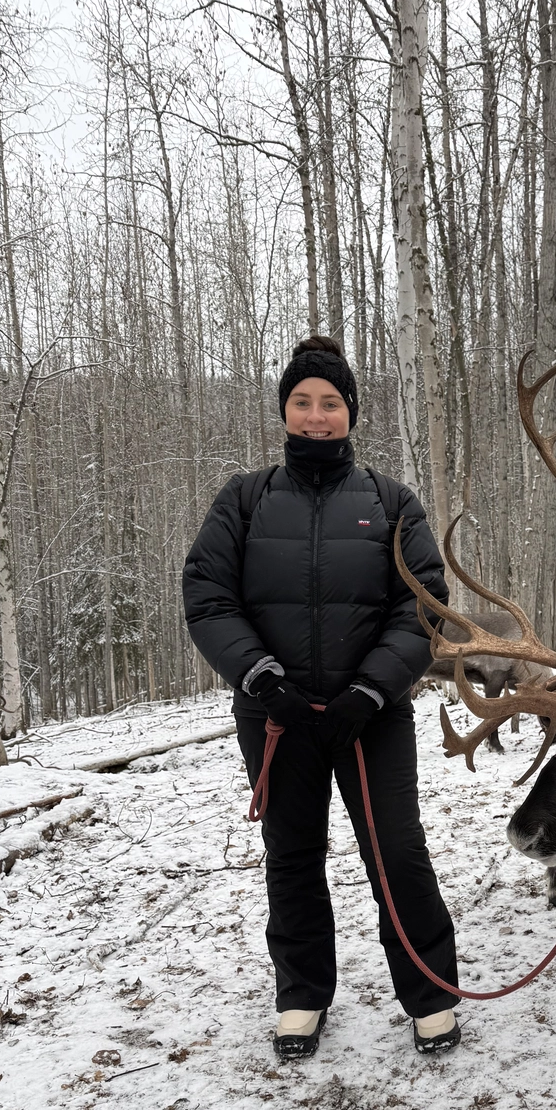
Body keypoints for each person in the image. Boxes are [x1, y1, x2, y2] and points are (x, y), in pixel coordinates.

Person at [182, 336, 461, 1059]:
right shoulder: (244, 499)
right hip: (275, 717)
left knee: (397, 852)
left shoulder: (391, 502)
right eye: (302, 401)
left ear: (350, 413)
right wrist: (262, 680)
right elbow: (208, 598)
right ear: (284, 411)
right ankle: (302, 996)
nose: (315, 415)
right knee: (292, 855)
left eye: (330, 402)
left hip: (369, 716)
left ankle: (431, 992)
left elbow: (423, 607)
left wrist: (370, 690)